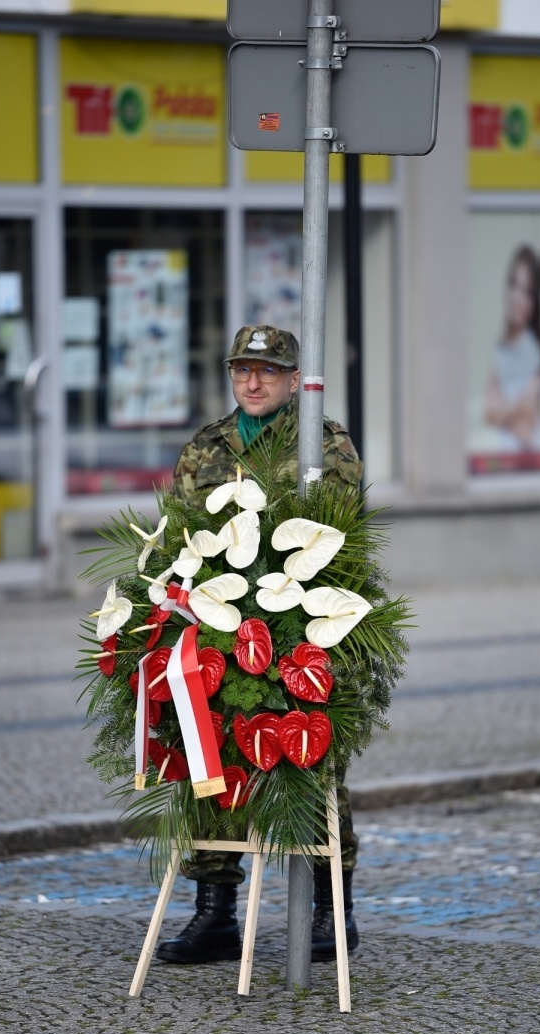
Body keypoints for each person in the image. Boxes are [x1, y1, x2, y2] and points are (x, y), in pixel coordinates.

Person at [156, 324, 363, 967]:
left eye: (268, 371)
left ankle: (332, 908)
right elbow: (179, 535)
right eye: (242, 369)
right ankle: (215, 910)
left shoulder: (323, 444)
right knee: (211, 761)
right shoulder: (206, 446)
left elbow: (338, 537)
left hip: (300, 627)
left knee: (314, 764)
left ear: (295, 380)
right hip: (219, 630)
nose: (253, 382)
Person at [484, 245, 540, 452]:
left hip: (529, 460)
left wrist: (503, 411)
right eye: (514, 285)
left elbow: (526, 429)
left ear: (535, 301)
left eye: (526, 292)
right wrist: (516, 407)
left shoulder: (537, 350)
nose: (517, 297)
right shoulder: (500, 346)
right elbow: (489, 413)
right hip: (504, 458)